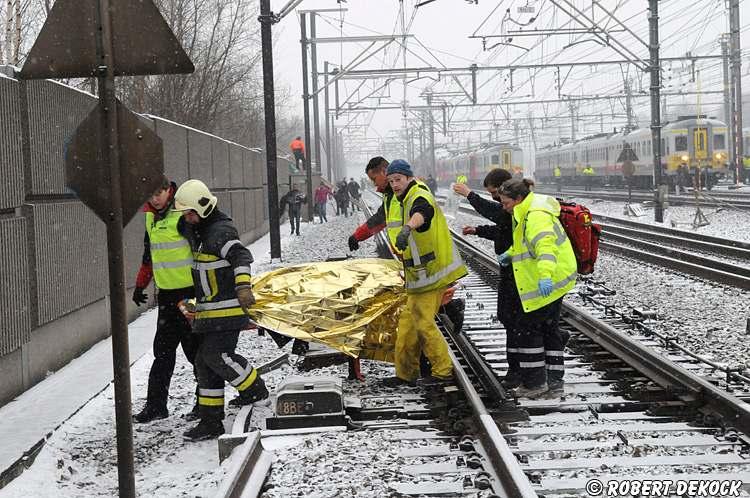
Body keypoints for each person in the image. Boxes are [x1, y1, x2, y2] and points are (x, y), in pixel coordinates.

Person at [173, 179, 269, 441]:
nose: (187, 218)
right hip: (210, 312)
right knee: (205, 363)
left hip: (227, 310)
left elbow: (241, 257)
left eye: (190, 213)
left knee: (217, 356)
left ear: (202, 209)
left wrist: (242, 288)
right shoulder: (201, 231)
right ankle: (210, 420)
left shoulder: (219, 232)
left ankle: (255, 390)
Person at [385, 159, 468, 386]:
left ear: (409, 177)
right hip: (418, 275)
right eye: (391, 180)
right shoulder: (401, 199)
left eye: (398, 179)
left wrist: (408, 227)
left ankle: (442, 371)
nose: (394, 184)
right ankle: (405, 374)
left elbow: (423, 212)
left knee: (423, 322)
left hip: (433, 273)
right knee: (408, 325)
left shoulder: (418, 194)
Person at [496, 178, 577, 399]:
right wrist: (511, 254)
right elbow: (526, 242)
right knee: (549, 330)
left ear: (518, 199)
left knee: (528, 330)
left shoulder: (536, 216)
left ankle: (534, 384)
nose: (503, 207)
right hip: (554, 278)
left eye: (505, 203)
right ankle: (554, 382)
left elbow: (545, 248)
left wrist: (545, 277)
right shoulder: (527, 211)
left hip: (549, 279)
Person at [131, 178, 201, 423]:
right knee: (162, 353)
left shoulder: (182, 216)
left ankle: (206, 403)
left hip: (190, 295)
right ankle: (156, 406)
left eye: (159, 192)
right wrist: (140, 285)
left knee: (196, 352)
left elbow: (202, 251)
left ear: (169, 190)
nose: (155, 198)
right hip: (167, 298)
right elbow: (149, 256)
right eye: (150, 194)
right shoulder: (151, 218)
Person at [453, 169, 521, 388]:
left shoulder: (513, 206)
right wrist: (477, 230)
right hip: (512, 270)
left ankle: (517, 371)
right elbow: (503, 229)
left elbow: (497, 215)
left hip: (518, 272)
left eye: (494, 193)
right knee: (511, 319)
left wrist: (470, 195)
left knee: (513, 320)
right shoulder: (511, 206)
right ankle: (523, 365)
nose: (494, 198)